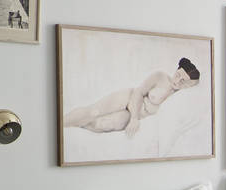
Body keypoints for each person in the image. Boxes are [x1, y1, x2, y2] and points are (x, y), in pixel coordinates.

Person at [63, 57, 201, 136]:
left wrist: (135, 118)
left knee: (101, 125)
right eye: (178, 75)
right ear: (176, 70)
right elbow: (139, 92)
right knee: (93, 112)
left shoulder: (178, 96)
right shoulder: (160, 77)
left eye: (184, 81)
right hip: (129, 99)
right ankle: (61, 123)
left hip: (135, 115)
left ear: (189, 84)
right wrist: (135, 118)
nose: (178, 81)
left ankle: (69, 124)